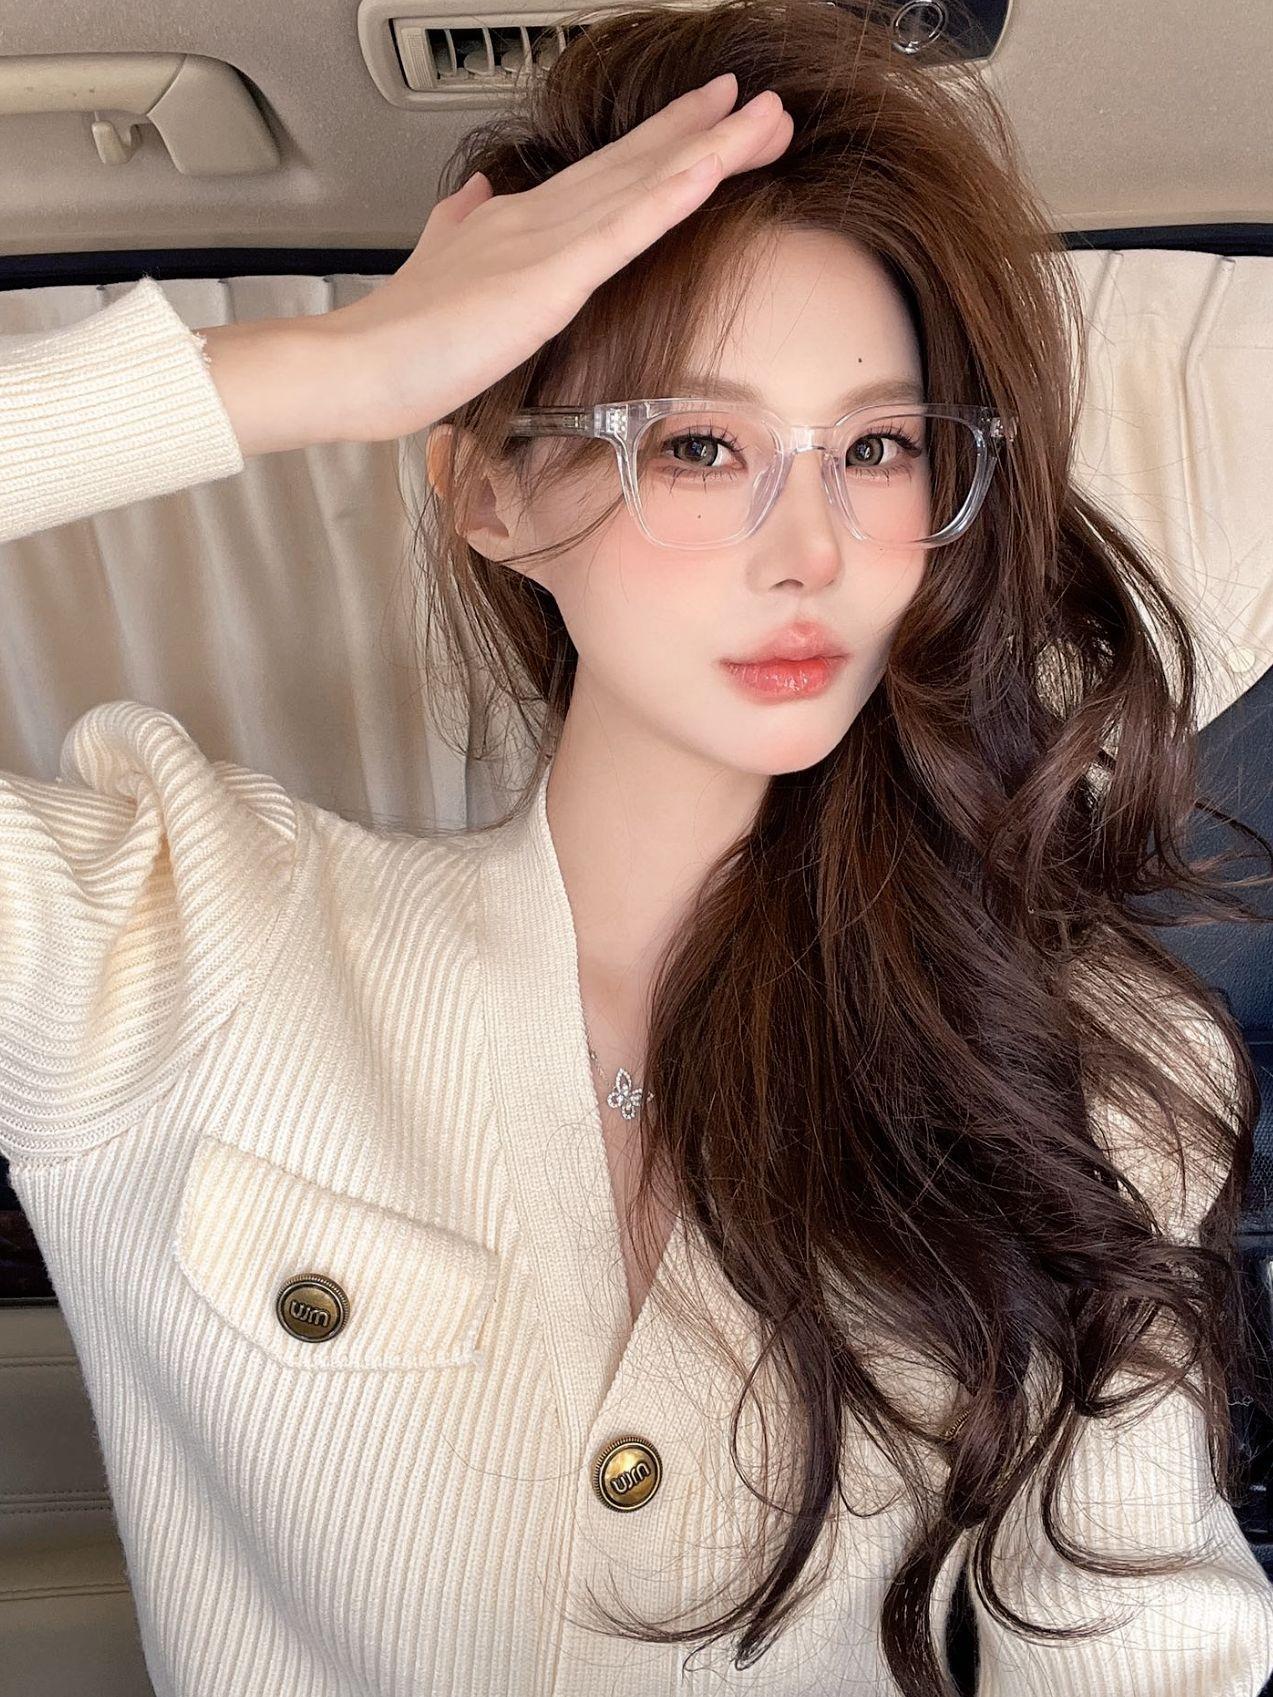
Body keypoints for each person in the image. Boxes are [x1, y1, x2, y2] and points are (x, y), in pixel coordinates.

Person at [1, 3, 1272, 1694]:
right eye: (695, 444)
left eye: (877, 447)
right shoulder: (170, 939)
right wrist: (329, 369)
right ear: (491, 493)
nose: (810, 546)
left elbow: (1141, 1647)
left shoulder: (1091, 1068)